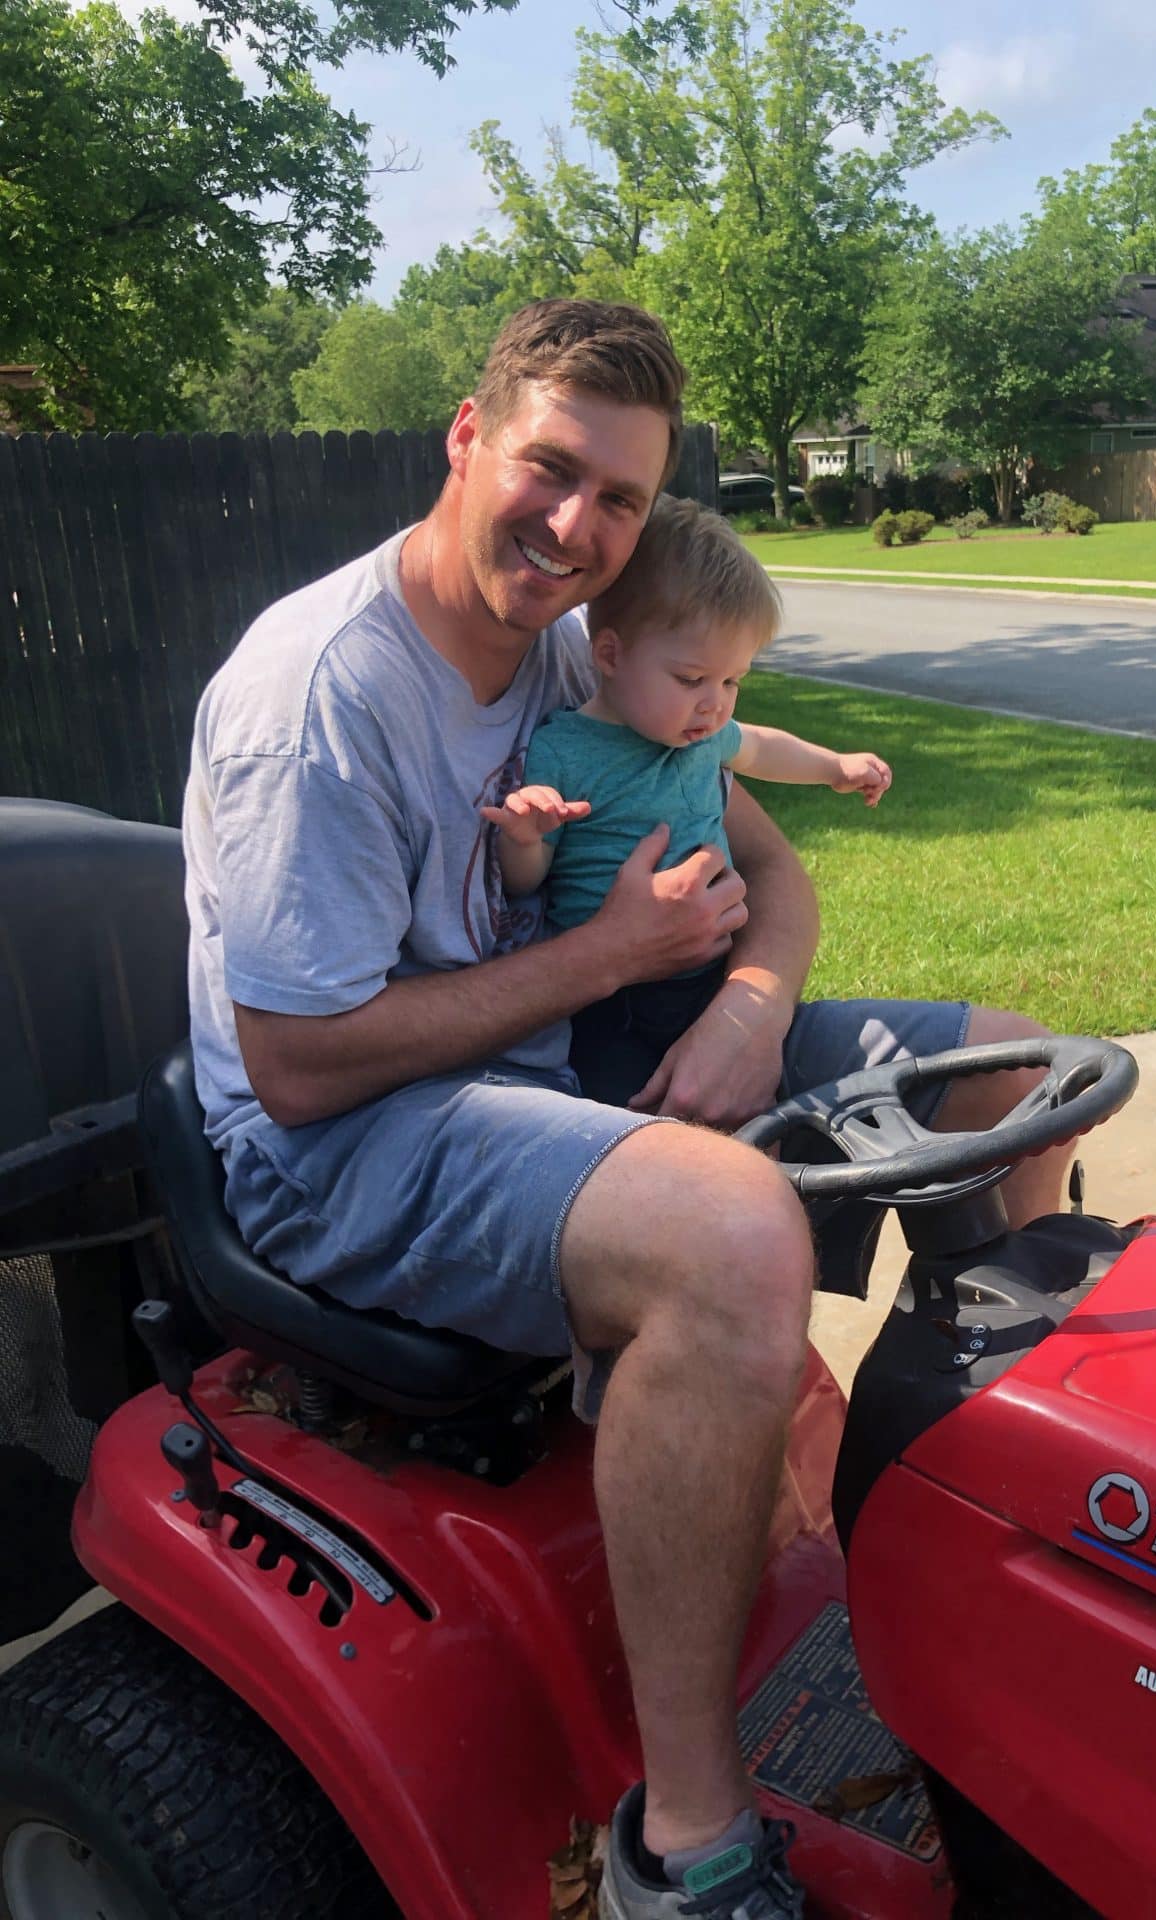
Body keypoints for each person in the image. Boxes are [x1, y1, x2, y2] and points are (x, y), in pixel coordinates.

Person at [183, 297, 1067, 1920]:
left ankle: (1006, 1578)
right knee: (732, 1234)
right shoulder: (322, 695)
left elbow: (774, 868)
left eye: (623, 499)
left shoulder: (566, 661)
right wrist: (609, 951)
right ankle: (686, 1845)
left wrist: (747, 1008)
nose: (579, 524)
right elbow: (302, 1063)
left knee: (1004, 1069)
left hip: (585, 1041)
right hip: (347, 1142)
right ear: (467, 437)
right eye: (552, 469)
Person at [483, 495, 892, 1108]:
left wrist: (834, 768)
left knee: (758, 1108)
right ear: (611, 654)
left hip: (712, 976)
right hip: (610, 1004)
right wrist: (525, 839)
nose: (716, 703)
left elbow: (760, 747)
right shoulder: (564, 751)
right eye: (692, 679)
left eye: (732, 681)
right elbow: (527, 883)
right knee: (638, 1117)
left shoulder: (699, 736)